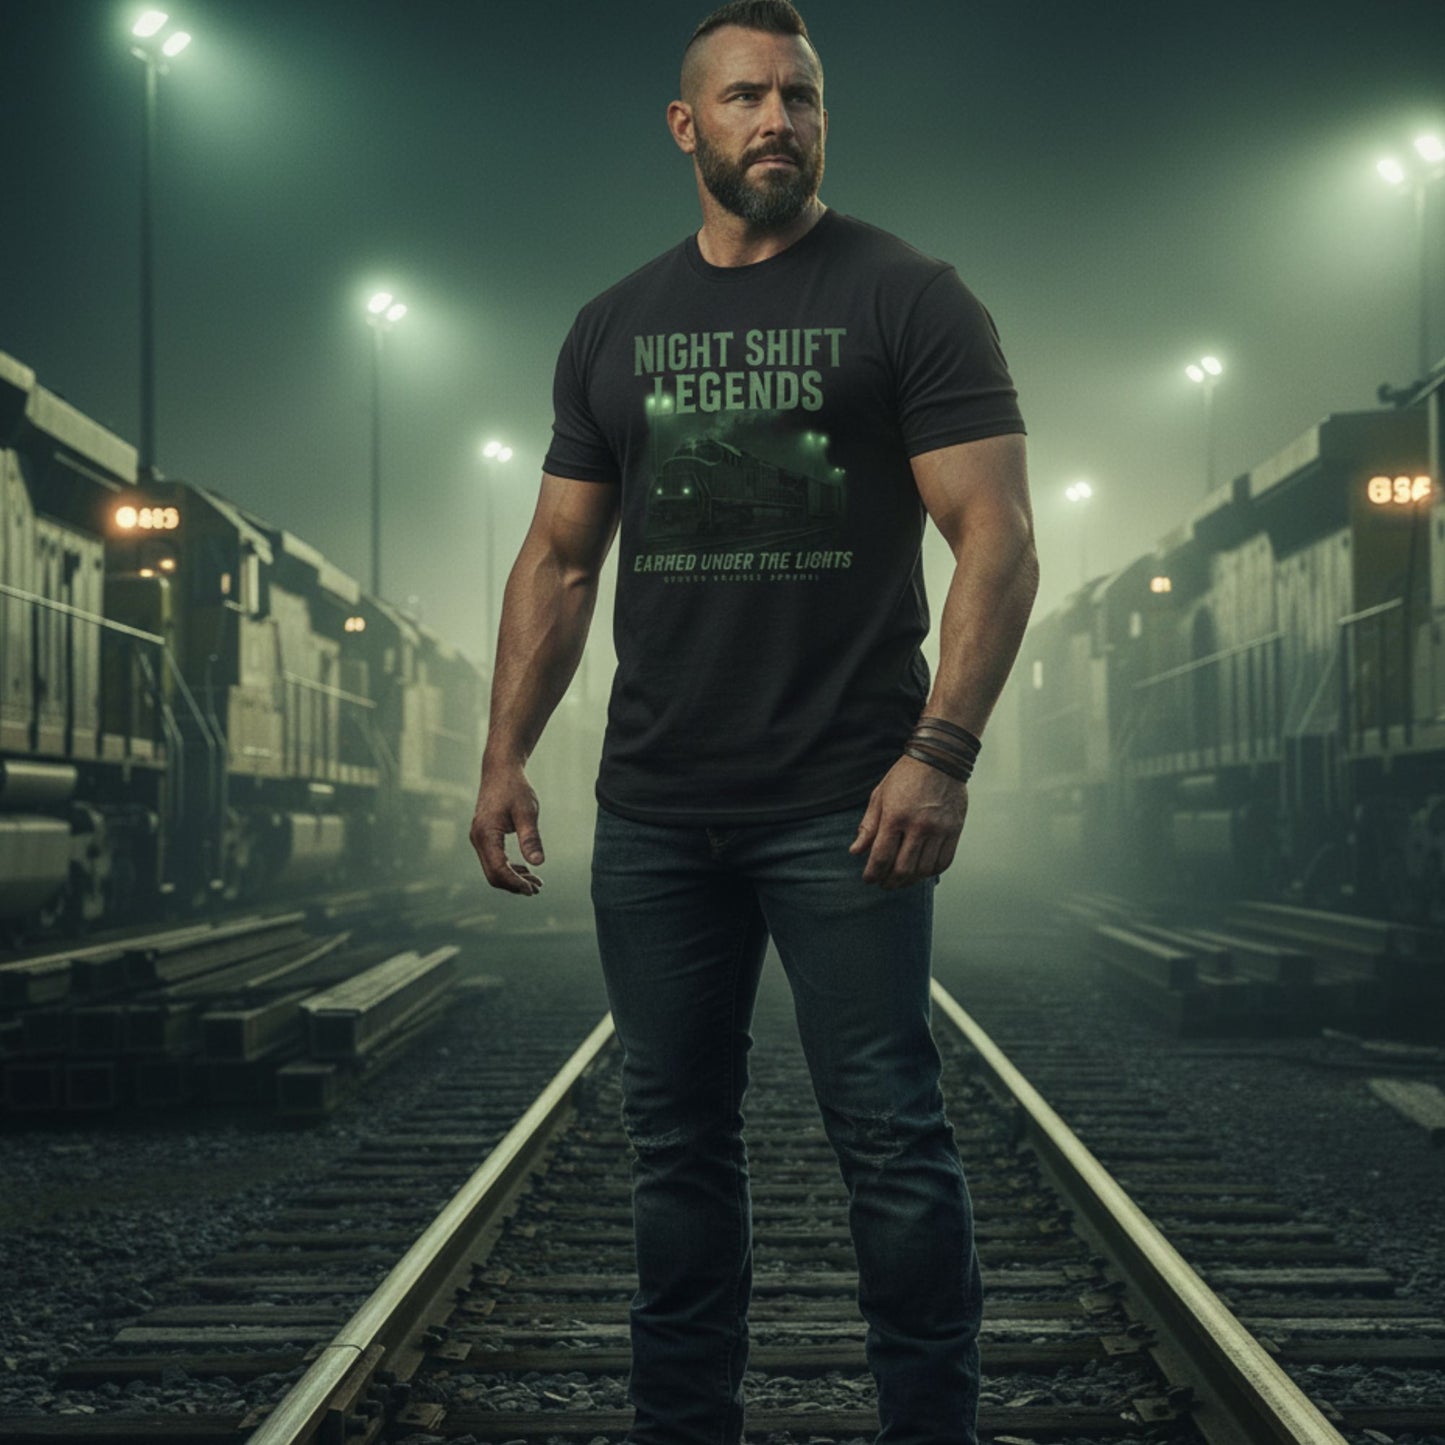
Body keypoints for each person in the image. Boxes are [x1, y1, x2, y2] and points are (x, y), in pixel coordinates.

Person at [471, 2, 1038, 1440]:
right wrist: (502, 758)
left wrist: (941, 754)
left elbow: (997, 537)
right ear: (688, 126)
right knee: (674, 1155)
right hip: (657, 808)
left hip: (843, 801)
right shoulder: (613, 324)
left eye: (799, 95)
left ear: (822, 115)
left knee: (892, 1145)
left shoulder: (910, 298)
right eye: (743, 98)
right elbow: (557, 557)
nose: (775, 118)